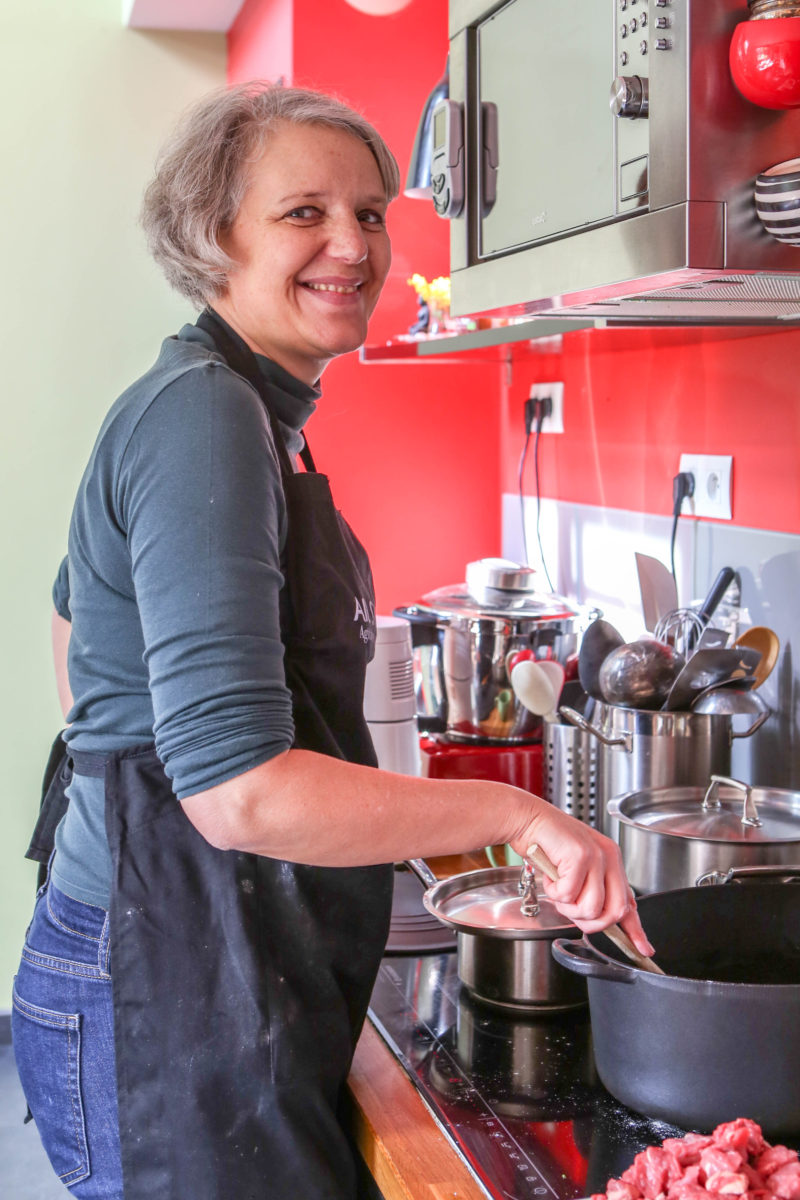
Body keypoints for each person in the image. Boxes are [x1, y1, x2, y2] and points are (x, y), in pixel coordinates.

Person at [12, 81, 652, 1200]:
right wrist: (517, 815)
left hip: (179, 946)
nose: (352, 246)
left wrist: (136, 775)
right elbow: (240, 796)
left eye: (368, 213)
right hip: (161, 979)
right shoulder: (206, 415)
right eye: (303, 213)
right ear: (213, 235)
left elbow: (76, 616)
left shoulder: (245, 410)